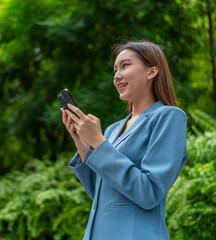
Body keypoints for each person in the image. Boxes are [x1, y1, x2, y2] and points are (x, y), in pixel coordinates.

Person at [60, 40, 187, 240]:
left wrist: (99, 143)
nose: (117, 76)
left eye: (125, 66)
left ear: (151, 72)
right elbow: (103, 194)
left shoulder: (169, 117)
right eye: (115, 70)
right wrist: (84, 146)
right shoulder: (112, 130)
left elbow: (150, 192)